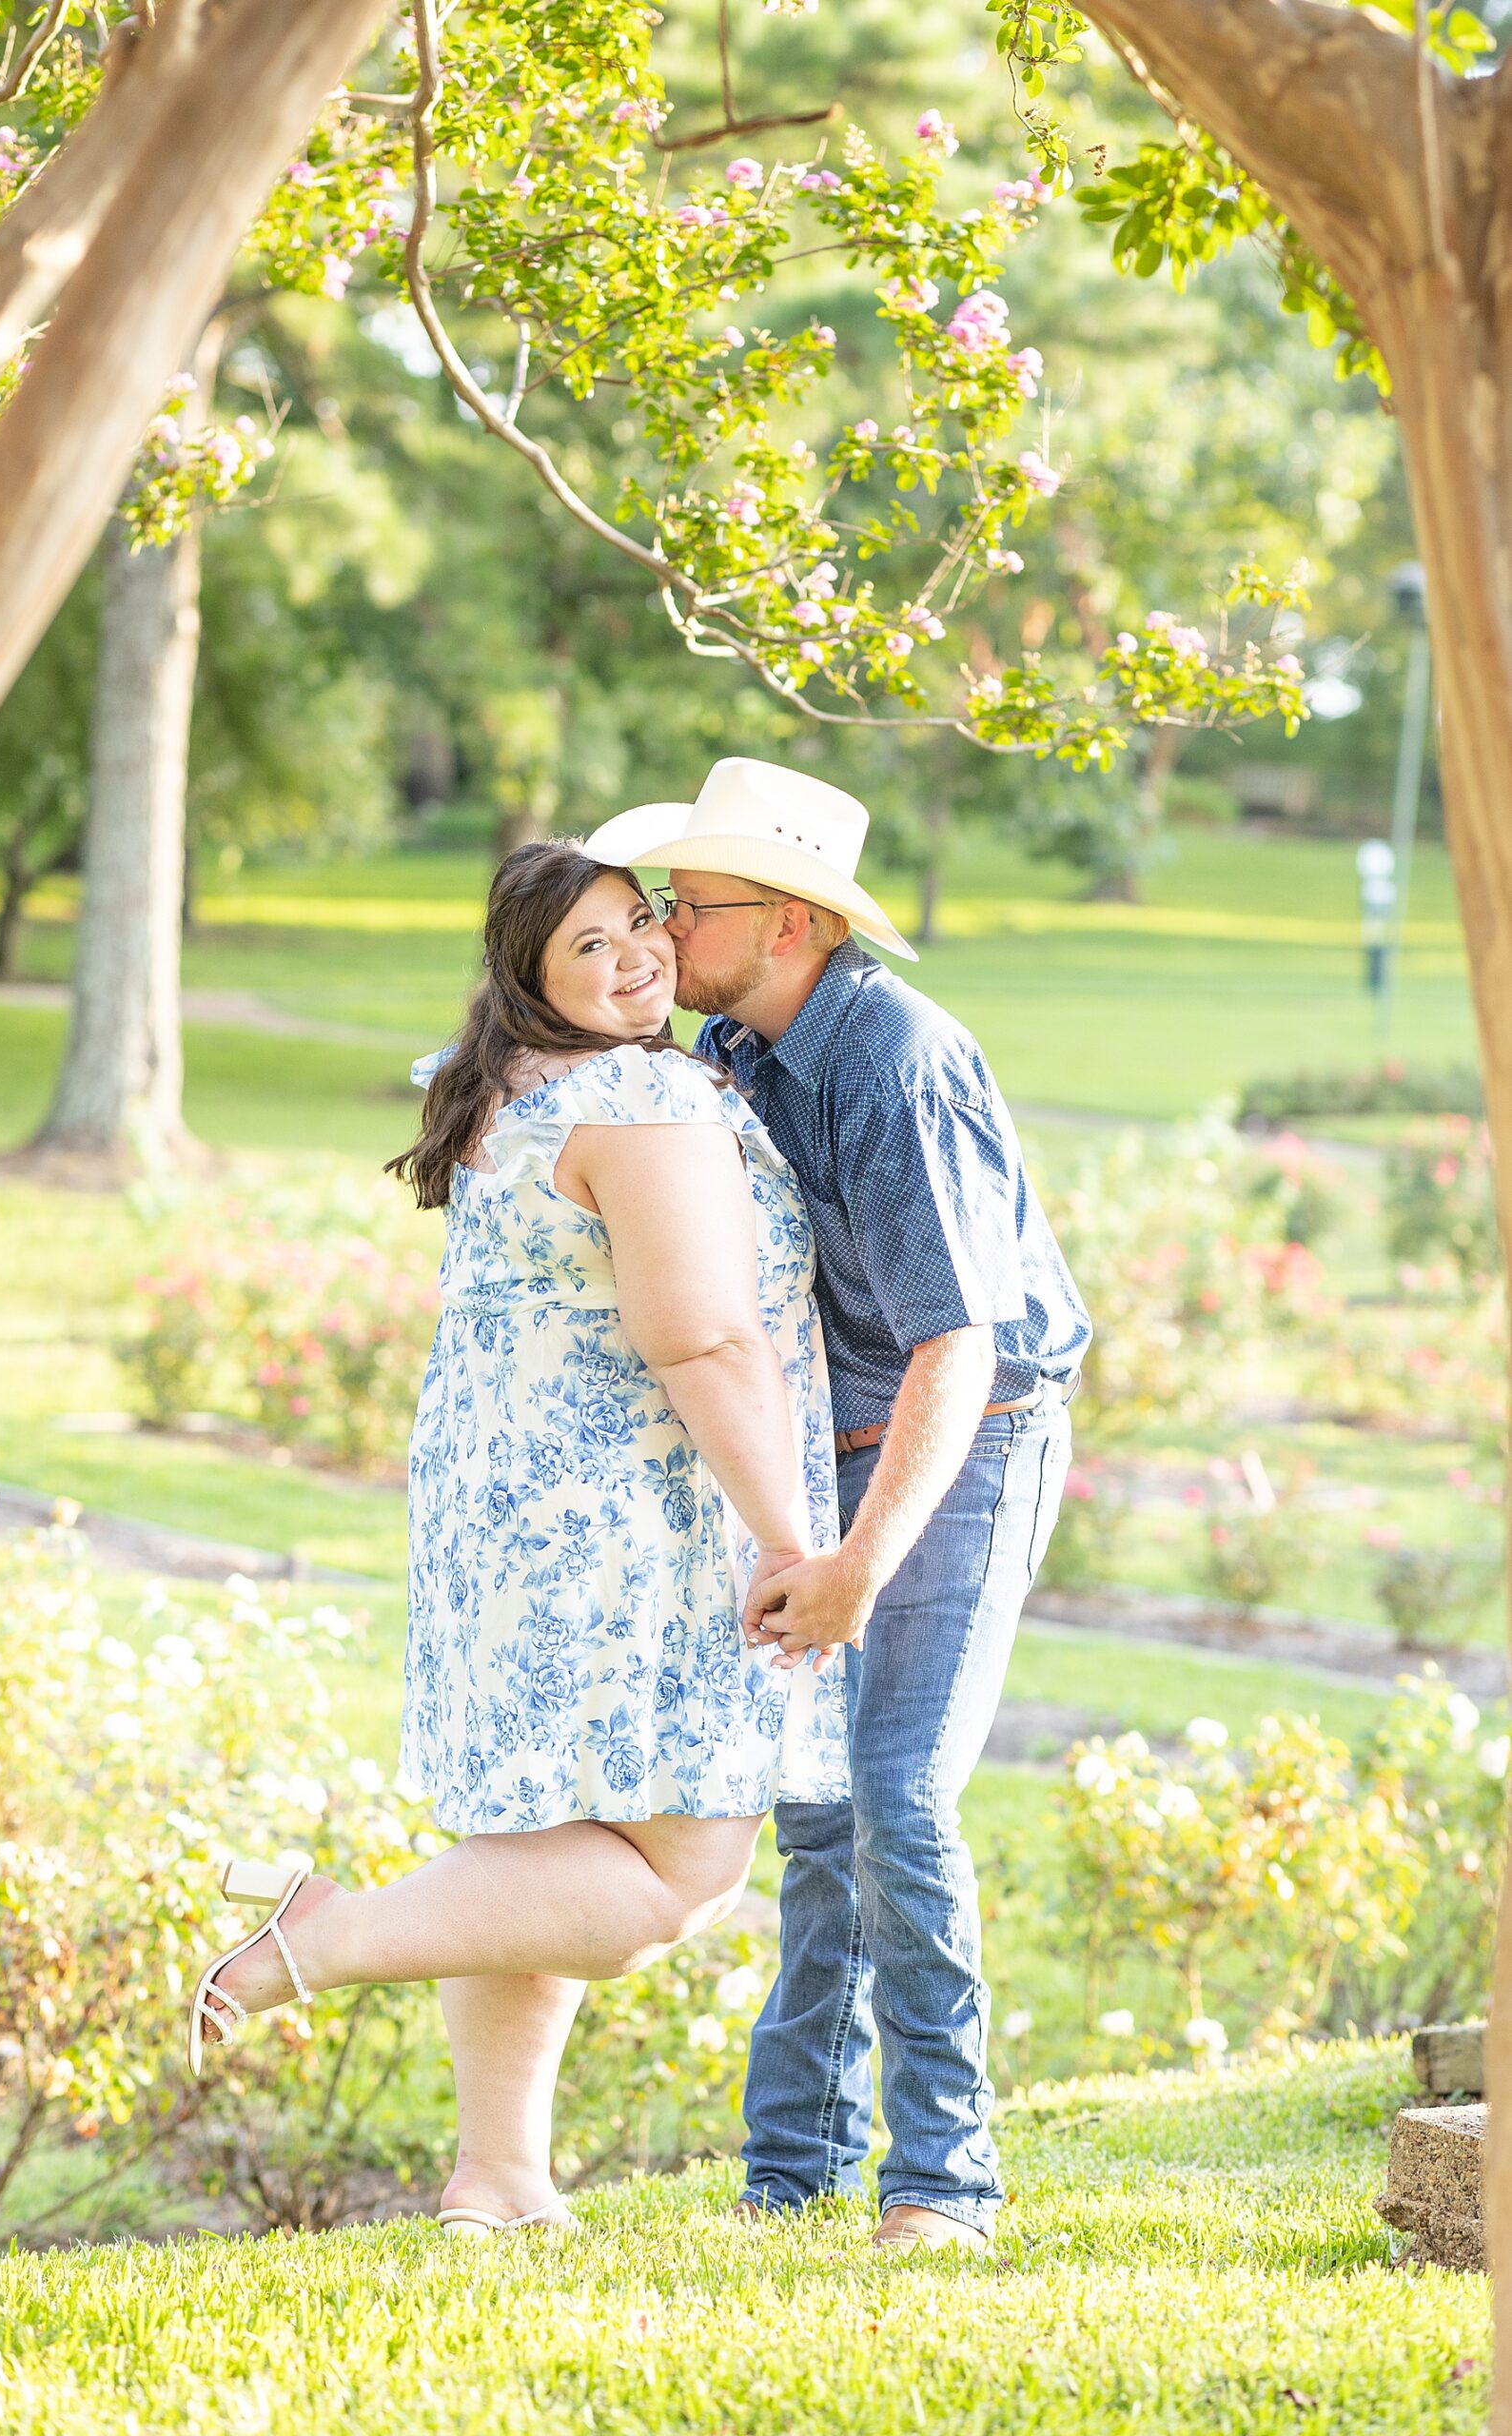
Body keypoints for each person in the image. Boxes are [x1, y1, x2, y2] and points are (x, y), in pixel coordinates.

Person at [186, 840, 847, 2236]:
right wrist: (794, 1544)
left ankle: (499, 2173)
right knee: (678, 1874)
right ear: (534, 980)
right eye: (587, 950)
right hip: (634, 1520)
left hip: (509, 1509)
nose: (632, 961)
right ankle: (323, 1935)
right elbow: (705, 1336)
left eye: (636, 929)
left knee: (537, 1844)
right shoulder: (648, 1097)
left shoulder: (508, 1089)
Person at [582, 756, 1091, 2254]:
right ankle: (789, 2176)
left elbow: (962, 1339)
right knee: (817, 1816)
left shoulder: (892, 1060)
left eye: (694, 903)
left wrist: (863, 1557)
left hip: (967, 1434)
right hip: (832, 1441)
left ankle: (943, 2189)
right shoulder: (735, 1047)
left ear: (793, 921)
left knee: (902, 1794)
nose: (668, 929)